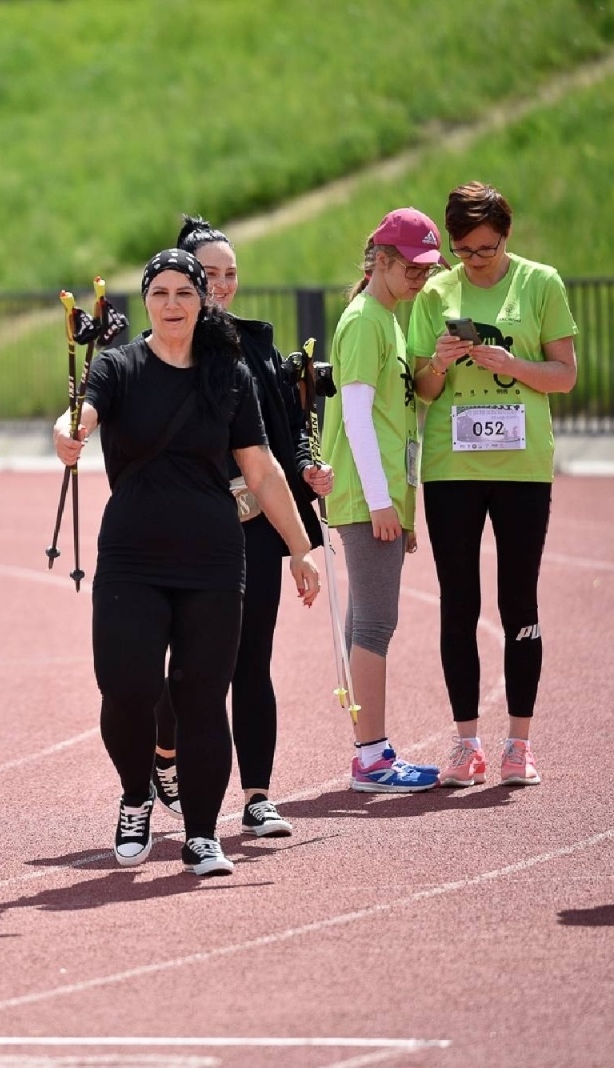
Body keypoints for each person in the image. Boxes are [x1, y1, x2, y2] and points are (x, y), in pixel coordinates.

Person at [55, 248, 321, 877]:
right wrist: (68, 433)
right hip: (131, 555)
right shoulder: (119, 365)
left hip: (212, 557)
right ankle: (135, 796)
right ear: (145, 299)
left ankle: (203, 832)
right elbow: (81, 413)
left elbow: (261, 467)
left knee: (202, 699)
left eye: (184, 292)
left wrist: (300, 548)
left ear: (202, 300)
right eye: (159, 292)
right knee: (127, 689)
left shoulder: (229, 374)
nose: (171, 304)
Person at [141, 216, 334, 837]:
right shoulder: (157, 353)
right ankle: (163, 751)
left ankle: (257, 796)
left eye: (230, 275)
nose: (222, 287)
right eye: (209, 275)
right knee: (192, 669)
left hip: (253, 527)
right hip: (185, 530)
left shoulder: (256, 347)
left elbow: (282, 435)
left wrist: (308, 469)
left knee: (253, 663)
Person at [410, 182, 578, 788]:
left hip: (521, 468)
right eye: (464, 250)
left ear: (506, 235)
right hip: (452, 467)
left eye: (486, 248)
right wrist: (440, 360)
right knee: (459, 605)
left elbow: (564, 376)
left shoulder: (541, 283)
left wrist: (512, 366)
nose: (474, 260)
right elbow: (424, 392)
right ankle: (466, 744)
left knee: (519, 603)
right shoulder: (435, 291)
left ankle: (519, 744)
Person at [321, 208, 445, 793]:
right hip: (366, 496)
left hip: (378, 494)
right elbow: (358, 419)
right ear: (384, 261)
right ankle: (372, 756)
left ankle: (369, 750)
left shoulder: (388, 318)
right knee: (375, 623)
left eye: (427, 269)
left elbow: (392, 418)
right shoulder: (367, 321)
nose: (422, 278)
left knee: (366, 622)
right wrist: (379, 502)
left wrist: (399, 502)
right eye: (414, 268)